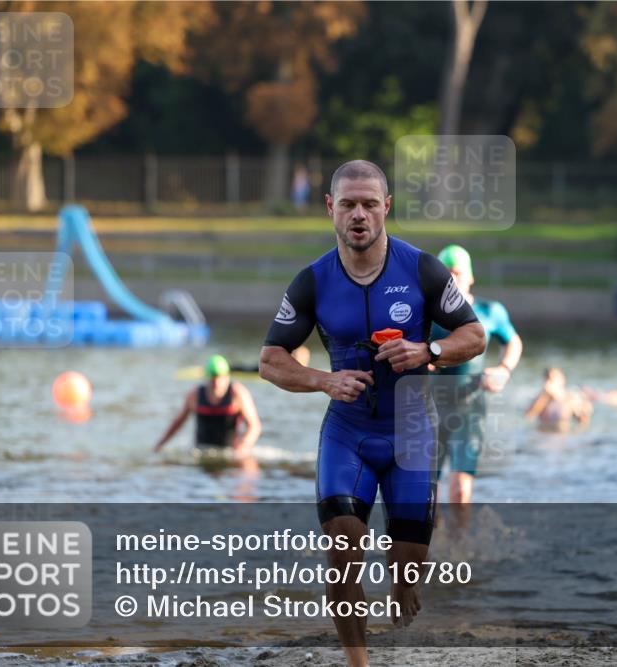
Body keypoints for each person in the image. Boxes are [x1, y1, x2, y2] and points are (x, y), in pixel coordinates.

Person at [258, 160, 485, 667]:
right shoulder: (312, 281)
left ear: (386, 207)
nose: (358, 215)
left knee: (404, 579)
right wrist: (324, 380)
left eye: (368, 204)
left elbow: (475, 336)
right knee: (344, 544)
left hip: (411, 433)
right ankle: (358, 663)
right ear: (330, 210)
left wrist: (427, 351)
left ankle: (405, 587)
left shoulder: (423, 269)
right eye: (347, 204)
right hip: (347, 433)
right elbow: (269, 361)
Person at [430, 244, 523, 505]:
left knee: (461, 490)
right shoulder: (424, 314)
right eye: (445, 274)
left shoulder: (489, 311)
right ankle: (431, 544)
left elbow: (513, 342)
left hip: (469, 410)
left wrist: (504, 370)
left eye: (457, 273)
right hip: (427, 409)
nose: (451, 280)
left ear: (470, 276)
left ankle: (462, 546)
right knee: (426, 496)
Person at [153, 355, 263, 469]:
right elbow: (178, 422)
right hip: (201, 451)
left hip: (230, 452)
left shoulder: (238, 394)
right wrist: (160, 445)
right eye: (213, 377)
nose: (216, 381)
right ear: (207, 377)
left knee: (250, 470)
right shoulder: (194, 395)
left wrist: (244, 445)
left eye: (219, 377)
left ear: (227, 376)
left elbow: (255, 426)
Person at [525, 367, 592, 433]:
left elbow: (583, 422)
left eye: (551, 379)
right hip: (542, 434)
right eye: (546, 379)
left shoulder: (569, 398)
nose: (548, 383)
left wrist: (585, 411)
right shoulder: (541, 398)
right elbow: (529, 416)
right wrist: (544, 397)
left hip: (561, 435)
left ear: (562, 380)